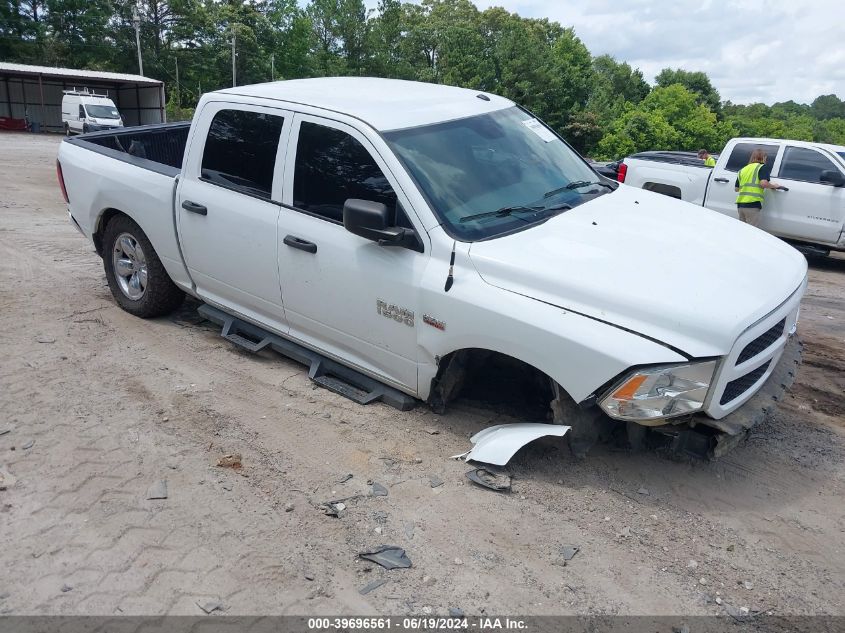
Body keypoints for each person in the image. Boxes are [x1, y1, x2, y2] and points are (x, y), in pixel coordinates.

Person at [734, 148, 785, 226]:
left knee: (742, 230)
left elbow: (736, 189)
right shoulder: (762, 167)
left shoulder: (743, 170)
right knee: (752, 232)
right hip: (752, 204)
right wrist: (774, 186)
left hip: (740, 205)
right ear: (763, 157)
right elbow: (763, 183)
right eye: (766, 158)